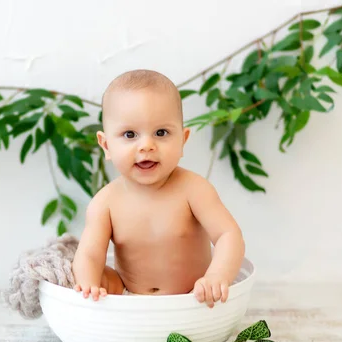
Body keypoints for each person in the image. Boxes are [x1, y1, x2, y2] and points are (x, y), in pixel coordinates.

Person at [71, 69, 245, 308]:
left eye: (161, 133)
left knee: (212, 284)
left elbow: (229, 235)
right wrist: (89, 285)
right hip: (127, 297)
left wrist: (216, 276)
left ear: (182, 141)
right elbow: (90, 253)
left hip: (192, 298)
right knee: (88, 275)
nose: (147, 146)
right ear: (106, 145)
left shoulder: (194, 190)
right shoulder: (105, 203)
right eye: (130, 134)